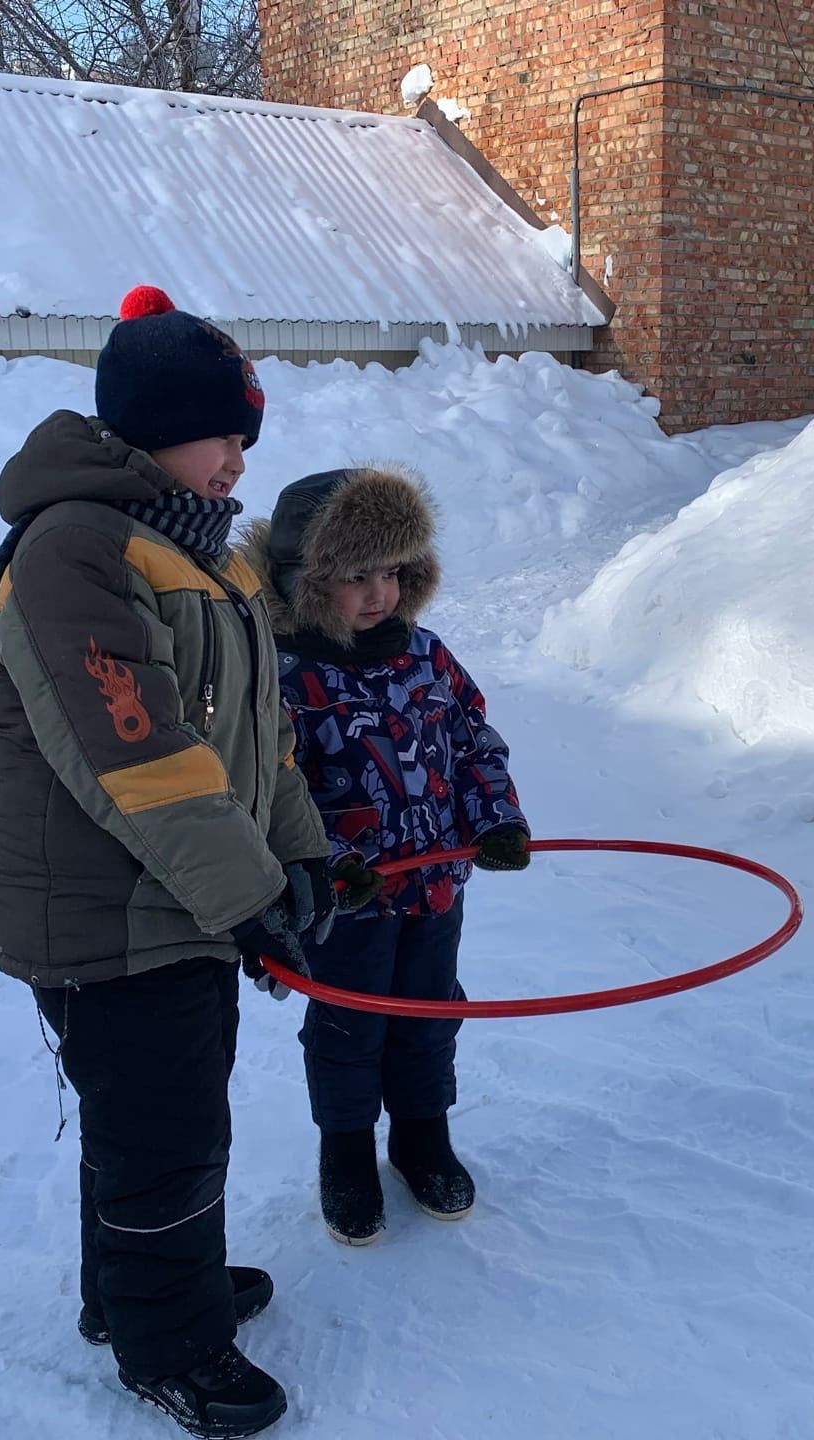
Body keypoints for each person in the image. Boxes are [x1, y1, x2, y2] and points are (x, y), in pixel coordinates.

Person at [0, 285, 328, 1437]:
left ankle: (130, 1293)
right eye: (224, 433)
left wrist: (301, 857)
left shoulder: (201, 557)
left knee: (162, 1120)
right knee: (165, 1133)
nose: (238, 459)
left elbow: (256, 736)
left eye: (244, 438)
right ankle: (169, 1341)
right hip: (107, 913)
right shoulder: (75, 551)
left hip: (180, 899)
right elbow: (141, 758)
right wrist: (254, 899)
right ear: (157, 427)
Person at [241, 465, 528, 1245]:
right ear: (306, 582)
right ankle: (346, 1153)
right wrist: (328, 864)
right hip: (351, 895)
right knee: (349, 1026)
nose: (378, 593)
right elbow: (273, 785)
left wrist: (496, 817)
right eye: (354, 576)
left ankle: (421, 1135)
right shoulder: (287, 673)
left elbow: (472, 741)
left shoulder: (428, 657)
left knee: (432, 1013)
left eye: (392, 573)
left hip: (434, 882)